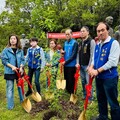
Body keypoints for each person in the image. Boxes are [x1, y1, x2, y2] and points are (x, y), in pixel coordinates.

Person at [88, 22, 120, 120]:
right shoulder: (98, 44)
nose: (100, 33)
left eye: (102, 30)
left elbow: (112, 62)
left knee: (112, 101)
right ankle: (103, 117)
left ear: (108, 31)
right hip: (99, 78)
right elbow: (94, 58)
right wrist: (91, 67)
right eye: (98, 31)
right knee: (101, 99)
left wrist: (97, 71)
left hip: (109, 78)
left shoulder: (113, 43)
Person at [1, 34, 25, 110]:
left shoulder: (20, 50)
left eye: (14, 39)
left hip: (19, 72)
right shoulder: (6, 50)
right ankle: (10, 106)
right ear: (9, 40)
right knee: (10, 88)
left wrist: (21, 67)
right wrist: (12, 67)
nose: (12, 40)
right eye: (11, 38)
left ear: (17, 40)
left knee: (20, 87)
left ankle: (23, 101)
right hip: (9, 72)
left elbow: (22, 59)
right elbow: (4, 61)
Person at [76, 26, 95, 101]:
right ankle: (84, 95)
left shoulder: (91, 41)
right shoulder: (80, 43)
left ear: (88, 32)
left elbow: (92, 54)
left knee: (88, 82)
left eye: (83, 31)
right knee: (83, 81)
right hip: (81, 65)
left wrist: (90, 66)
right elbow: (78, 54)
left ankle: (90, 98)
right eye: (81, 31)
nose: (82, 33)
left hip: (88, 66)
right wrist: (77, 63)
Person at [61, 28, 78, 94]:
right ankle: (67, 90)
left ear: (72, 34)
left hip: (72, 64)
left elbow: (73, 55)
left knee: (71, 79)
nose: (67, 35)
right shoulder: (65, 43)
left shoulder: (75, 43)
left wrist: (66, 62)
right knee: (66, 78)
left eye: (68, 34)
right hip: (65, 64)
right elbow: (63, 51)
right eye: (66, 34)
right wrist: (62, 52)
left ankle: (72, 92)